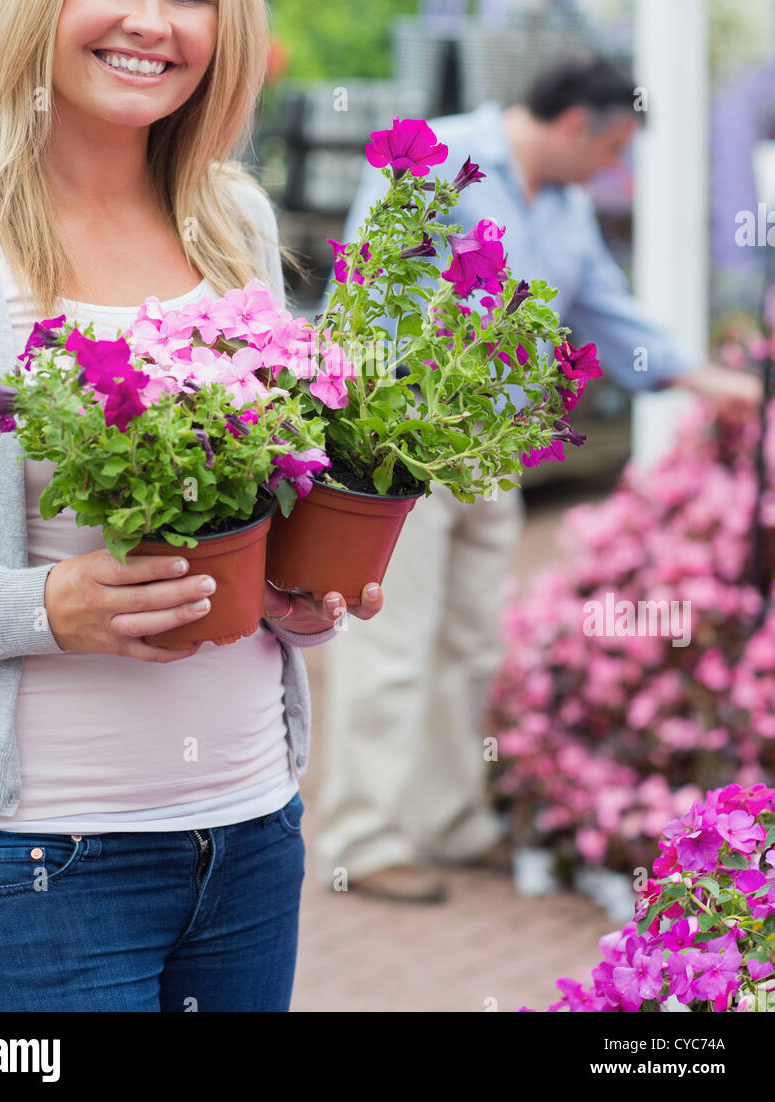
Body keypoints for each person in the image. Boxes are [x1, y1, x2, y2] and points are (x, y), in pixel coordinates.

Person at [0, 0, 385, 1012]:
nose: (151, 21)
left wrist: (300, 587)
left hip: (245, 830)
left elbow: (260, 505)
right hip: (28, 863)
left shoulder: (228, 216)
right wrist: (43, 609)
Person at [317, 55, 762, 904]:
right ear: (573, 126)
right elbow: (361, 288)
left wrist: (711, 382)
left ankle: (450, 820)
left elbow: (602, 304)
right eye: (614, 148)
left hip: (490, 451)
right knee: (396, 641)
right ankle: (364, 839)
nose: (615, 169)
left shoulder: (562, 205)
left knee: (472, 640)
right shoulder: (441, 157)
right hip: (409, 443)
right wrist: (367, 436)